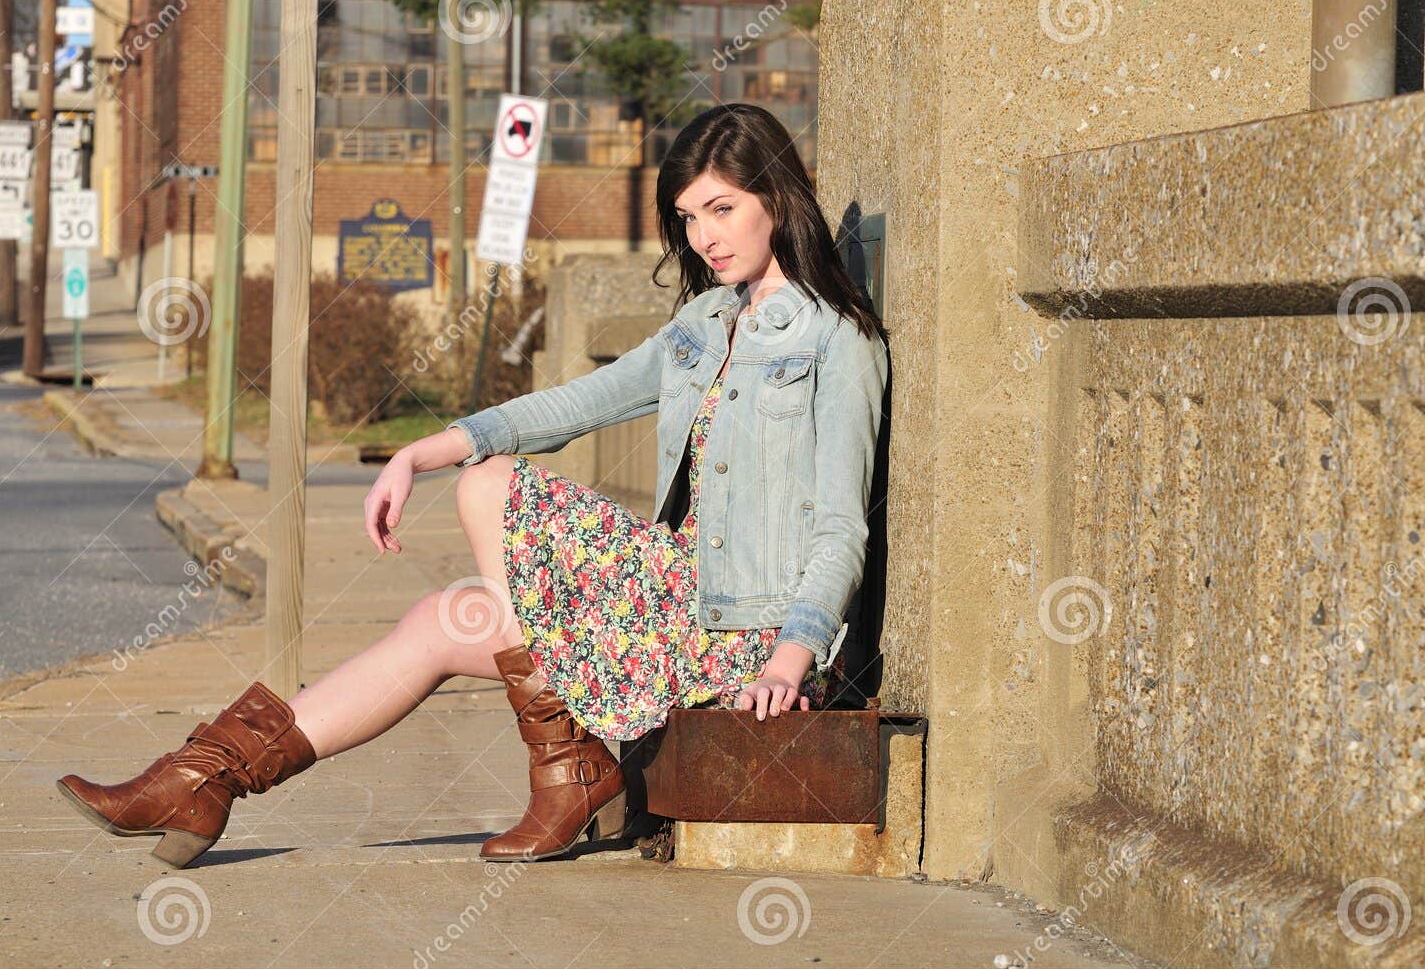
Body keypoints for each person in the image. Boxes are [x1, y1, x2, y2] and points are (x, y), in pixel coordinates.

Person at [55, 102, 890, 871]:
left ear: (776, 195)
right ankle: (208, 777)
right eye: (688, 216)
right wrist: (426, 449)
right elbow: (580, 401)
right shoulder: (705, 324)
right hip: (671, 603)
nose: (705, 236)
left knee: (488, 489)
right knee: (442, 617)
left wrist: (792, 654)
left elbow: (843, 526)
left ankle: (568, 770)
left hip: (746, 637)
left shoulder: (837, 340)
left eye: (722, 208)